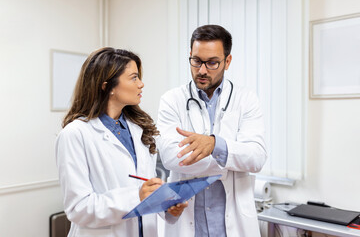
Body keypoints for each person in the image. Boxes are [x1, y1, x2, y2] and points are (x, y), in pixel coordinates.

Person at [56, 47, 187, 237]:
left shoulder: (139, 129)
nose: (141, 84)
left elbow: (146, 189)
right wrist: (137, 197)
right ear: (106, 86)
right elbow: (78, 209)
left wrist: (166, 208)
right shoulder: (75, 134)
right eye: (134, 78)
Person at [156, 25, 267, 236]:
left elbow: (257, 158)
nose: (202, 70)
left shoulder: (246, 100)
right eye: (196, 61)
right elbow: (171, 157)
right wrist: (228, 156)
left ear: (228, 61)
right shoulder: (172, 100)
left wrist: (215, 145)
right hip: (189, 225)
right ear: (190, 55)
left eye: (212, 62)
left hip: (232, 226)